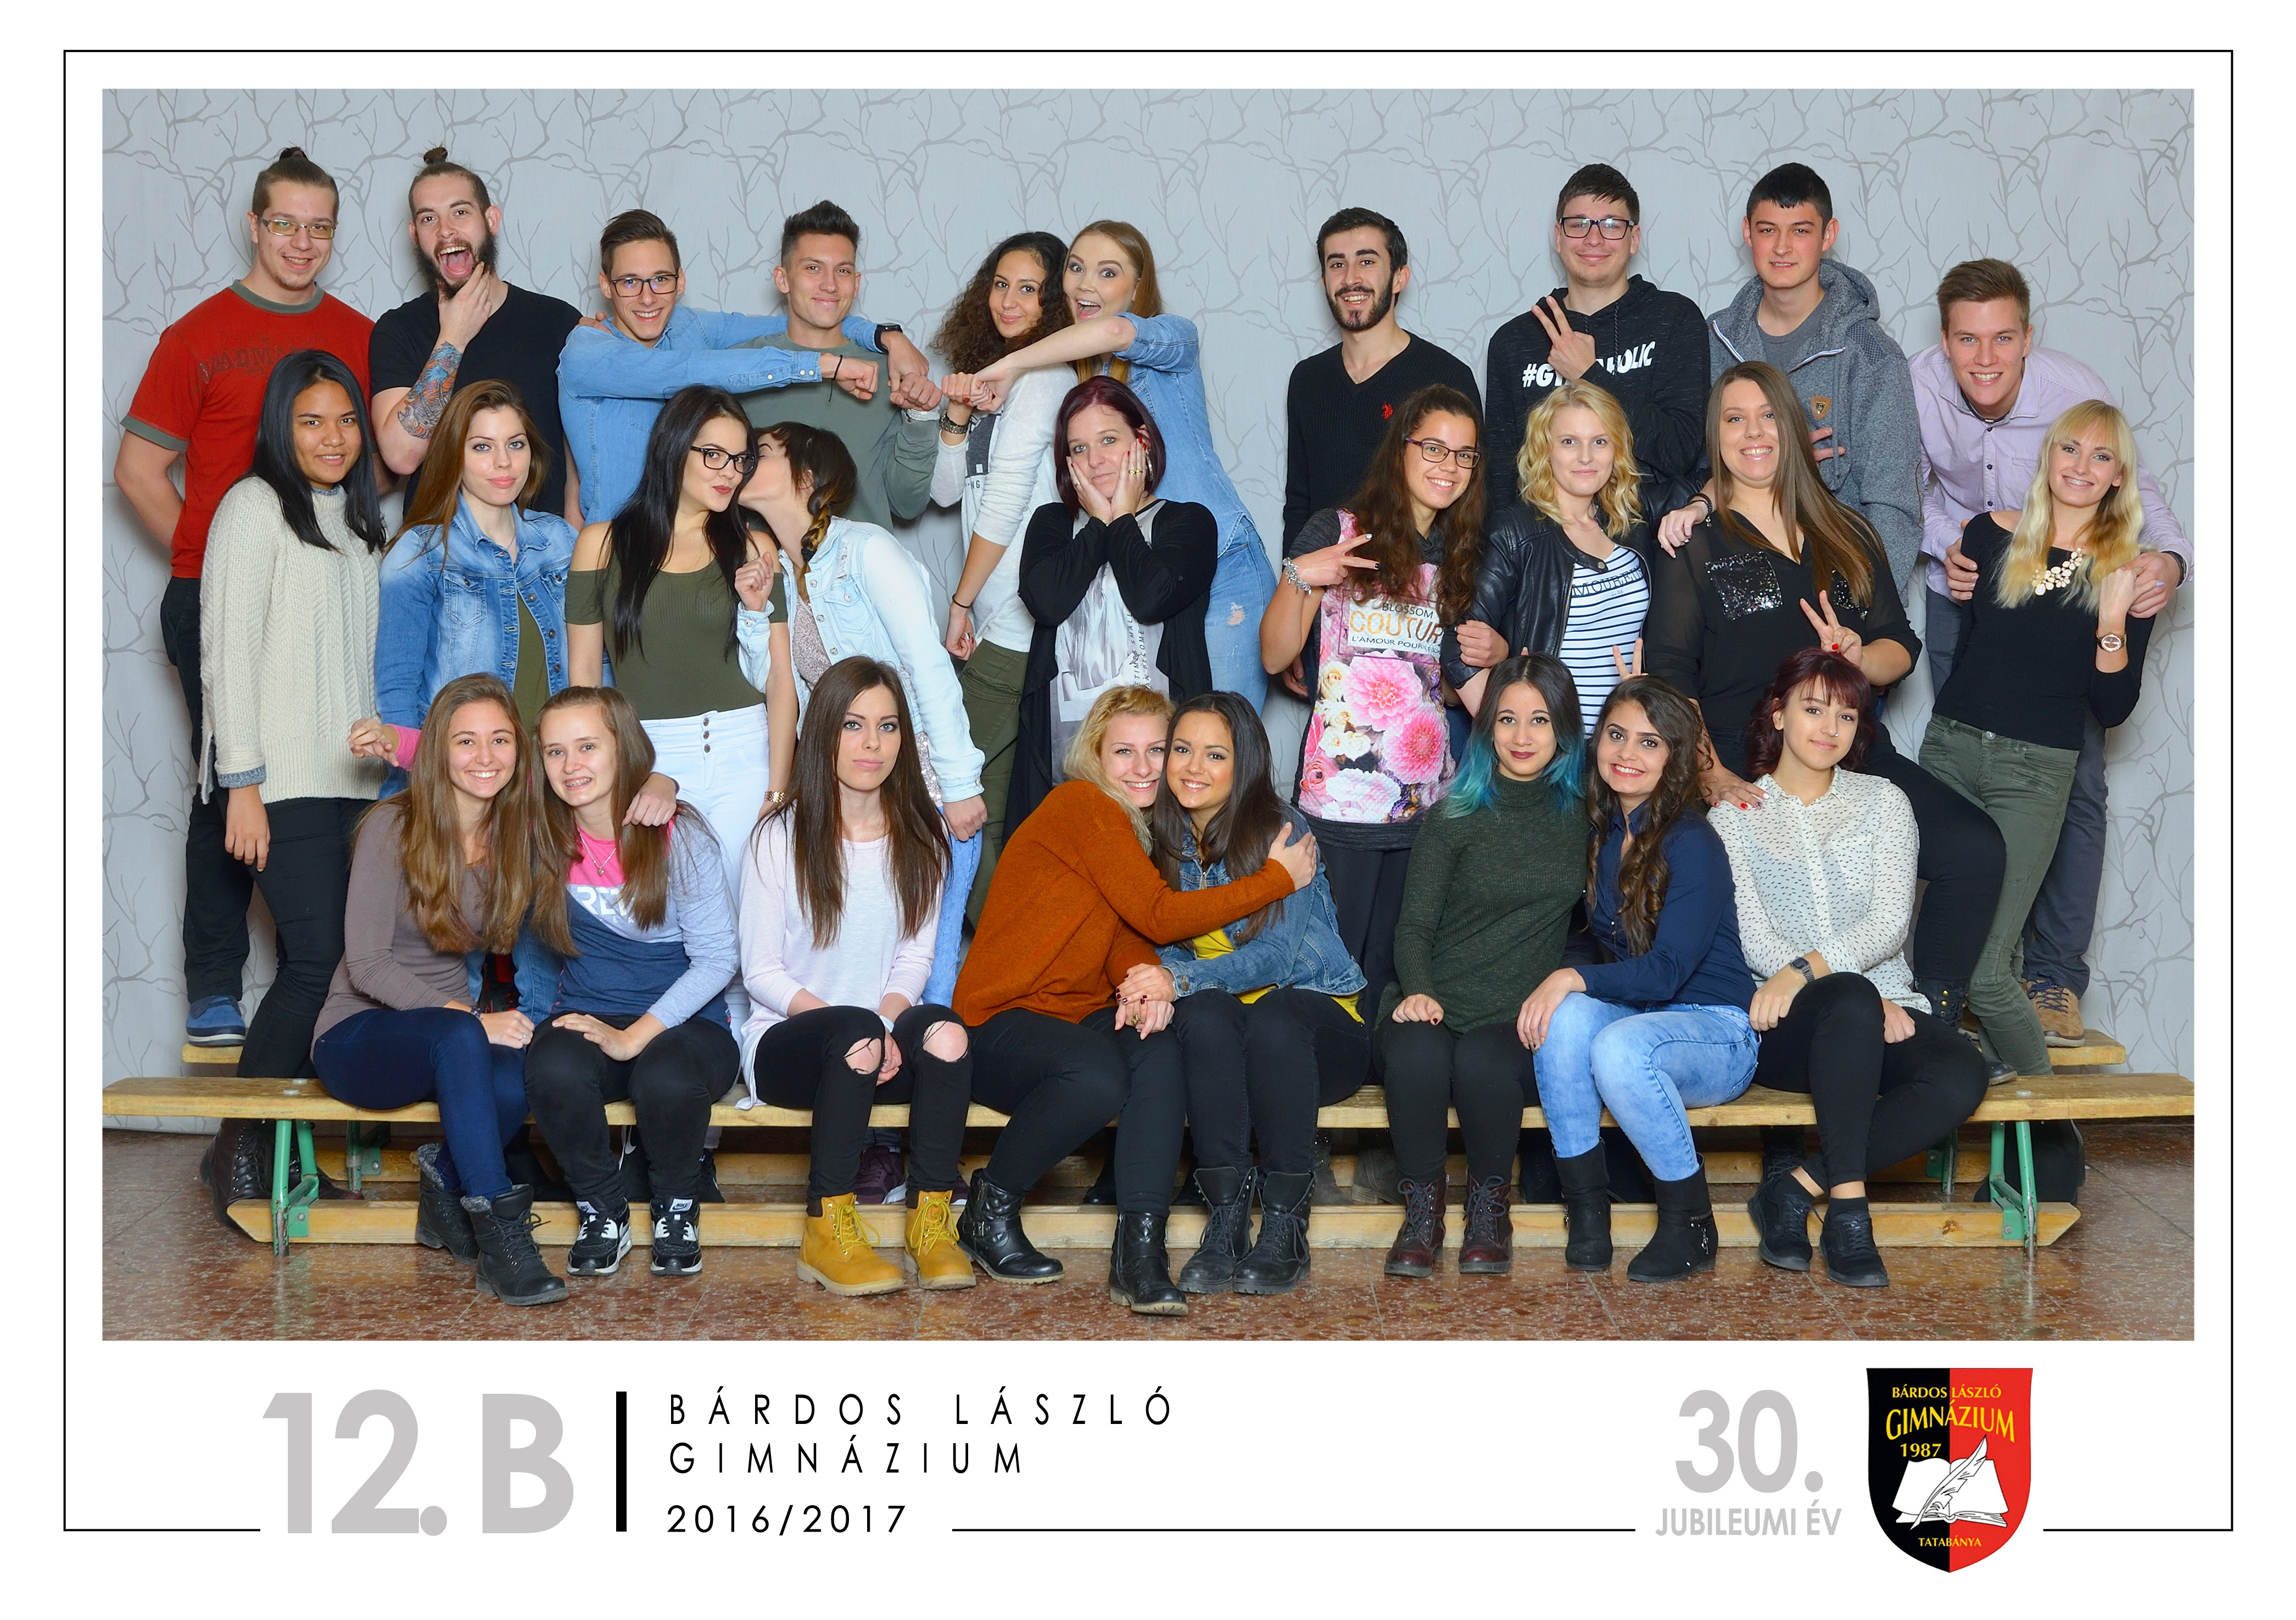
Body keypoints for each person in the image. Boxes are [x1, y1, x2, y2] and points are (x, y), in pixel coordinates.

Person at [1645, 363, 2007, 1077]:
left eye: (1767, 415)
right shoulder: (1698, 543)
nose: (1753, 432)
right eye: (1734, 418)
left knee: (1974, 849)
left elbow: (1899, 647)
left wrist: (1857, 656)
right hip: (1745, 762)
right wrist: (1710, 774)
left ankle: (1932, 1021)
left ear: (1793, 427)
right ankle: (1808, 1037)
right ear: (1716, 438)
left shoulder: (1847, 531)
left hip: (1852, 751)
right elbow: (1668, 676)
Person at [115, 146, 373, 1049]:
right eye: (285, 224)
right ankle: (215, 983)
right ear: (255, 226)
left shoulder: (357, 334)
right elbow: (138, 470)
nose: (302, 242)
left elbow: (388, 453)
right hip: (217, 587)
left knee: (294, 786)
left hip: (321, 582)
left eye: (319, 227)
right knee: (225, 776)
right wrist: (220, 558)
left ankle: (318, 996)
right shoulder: (197, 335)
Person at [952, 686, 1317, 1312]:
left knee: (1157, 1046)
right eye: (1124, 751)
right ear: (1094, 755)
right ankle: (988, 1209)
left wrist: (1147, 984)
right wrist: (1273, 881)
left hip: (1074, 1018)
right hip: (999, 1023)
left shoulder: (1132, 828)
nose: (1144, 766)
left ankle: (1140, 1253)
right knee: (1096, 1074)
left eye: (1157, 749)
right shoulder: (1083, 804)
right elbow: (1157, 914)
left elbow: (1125, 931)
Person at [1914, 258, 2188, 1044]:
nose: (1985, 357)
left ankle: (2051, 976)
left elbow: (2139, 489)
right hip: (1975, 576)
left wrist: (2168, 562)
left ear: (2027, 338)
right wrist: (1954, 547)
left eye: (2002, 337)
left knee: (2073, 780)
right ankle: (1946, 977)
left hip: (2075, 584)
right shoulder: (1917, 382)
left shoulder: (2073, 394)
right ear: (1945, 341)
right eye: (1967, 339)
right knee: (1962, 767)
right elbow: (1901, 491)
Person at [1714, 648, 1989, 1288]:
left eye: (1844, 715)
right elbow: (1752, 938)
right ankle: (1847, 1213)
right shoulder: (1732, 816)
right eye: (1812, 709)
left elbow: (1889, 922)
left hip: (1884, 1007)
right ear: (1777, 714)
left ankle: (1793, 1189)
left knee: (1960, 1073)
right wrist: (1838, 990)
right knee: (1846, 1002)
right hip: (1785, 1025)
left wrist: (1832, 980)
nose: (1828, 728)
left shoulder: (1883, 801)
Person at [1920, 401, 2157, 1080]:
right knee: (1935, 956)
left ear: (2118, 476)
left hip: (2032, 772)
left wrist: (2109, 621)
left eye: (2100, 456)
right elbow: (1970, 652)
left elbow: (2111, 707)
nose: (2081, 466)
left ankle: (2045, 1118)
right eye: (2069, 449)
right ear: (2048, 456)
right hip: (1950, 751)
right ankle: (1939, 1100)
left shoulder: (2128, 569)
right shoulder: (1987, 534)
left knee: (1989, 970)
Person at [310, 673, 562, 1306]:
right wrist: (469, 1018)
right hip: (357, 1037)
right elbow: (367, 964)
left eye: (500, 739)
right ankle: (504, 1242)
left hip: (449, 1037)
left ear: (519, 751)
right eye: (466, 740)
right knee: (463, 1033)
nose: (485, 756)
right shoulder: (392, 826)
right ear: (437, 751)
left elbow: (592, 789)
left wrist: (661, 786)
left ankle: (442, 1181)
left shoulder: (514, 835)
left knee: (521, 1073)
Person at [739, 657, 976, 1297]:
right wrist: (862, 1030)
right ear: (823, 731)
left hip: (880, 1041)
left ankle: (930, 1223)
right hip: (787, 1046)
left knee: (949, 1035)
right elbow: (760, 972)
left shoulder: (921, 838)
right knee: (853, 1035)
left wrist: (886, 1025)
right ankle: (826, 1228)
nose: (872, 743)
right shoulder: (778, 836)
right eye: (853, 724)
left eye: (887, 726)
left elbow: (914, 962)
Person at [968, 221, 1277, 707]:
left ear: (1137, 287)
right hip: (1146, 574)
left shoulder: (1173, 339)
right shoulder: (1079, 374)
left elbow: (1114, 332)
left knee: (1221, 734)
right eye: (1076, 268)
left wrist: (1010, 365)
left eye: (1107, 272)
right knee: (1157, 737)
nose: (1085, 284)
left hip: (1222, 563)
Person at [1514, 677, 1759, 1282]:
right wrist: (1565, 985)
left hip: (1717, 1031)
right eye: (1616, 735)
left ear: (1673, 757)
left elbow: (1669, 969)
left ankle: (1690, 1222)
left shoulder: (1693, 840)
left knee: (1616, 1043)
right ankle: (1587, 1209)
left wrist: (1570, 976)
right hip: (1647, 1018)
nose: (1627, 753)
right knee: (1565, 1018)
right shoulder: (1604, 832)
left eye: (1649, 743)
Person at [738, 421, 986, 1010]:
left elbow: (927, 666)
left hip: (925, 788)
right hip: (852, 799)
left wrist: (958, 785)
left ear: (806, 476)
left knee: (931, 974)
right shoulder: (784, 575)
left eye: (762, 452)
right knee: (866, 967)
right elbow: (777, 686)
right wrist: (754, 611)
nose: (744, 460)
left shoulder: (866, 549)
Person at [1138, 692, 1370, 1295]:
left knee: (1272, 1015)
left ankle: (1287, 1226)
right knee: (1204, 1015)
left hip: (1316, 1029)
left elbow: (1276, 959)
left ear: (1244, 764)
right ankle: (1226, 1221)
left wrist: (1177, 980)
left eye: (1215, 755)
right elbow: (1161, 938)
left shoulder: (1281, 830)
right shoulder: (1160, 835)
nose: (1193, 767)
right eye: (1182, 749)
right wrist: (1167, 979)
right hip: (1232, 1039)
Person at [200, 349, 390, 1080]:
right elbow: (227, 655)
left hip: (357, 784)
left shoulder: (361, 522)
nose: (333, 438)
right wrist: (242, 786)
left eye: (346, 420)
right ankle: (240, 1136)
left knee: (352, 968)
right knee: (318, 960)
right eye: (311, 421)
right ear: (281, 425)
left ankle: (293, 1135)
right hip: (279, 783)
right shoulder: (254, 506)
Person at [1261, 383, 1480, 1008]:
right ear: (1400, 448)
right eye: (1433, 447)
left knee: (1390, 985)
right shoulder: (1338, 530)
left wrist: (1489, 651)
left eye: (1464, 455)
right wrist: (1303, 575)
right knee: (1324, 983)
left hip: (1423, 806)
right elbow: (1274, 656)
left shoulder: (1461, 554)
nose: (1448, 465)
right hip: (1339, 800)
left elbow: (1452, 687)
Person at [1373, 655, 1589, 1278]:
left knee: (1483, 1062)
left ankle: (1490, 1210)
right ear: (1487, 726)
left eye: (1539, 720)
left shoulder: (1585, 817)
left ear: (1563, 730)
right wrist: (1417, 991)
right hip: (1435, 996)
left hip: (1517, 1013)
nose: (1522, 736)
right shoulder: (1453, 816)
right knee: (1416, 1055)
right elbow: (1414, 927)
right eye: (1507, 719)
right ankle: (1421, 1213)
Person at [522, 685, 741, 1280]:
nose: (571, 765)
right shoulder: (542, 836)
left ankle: (677, 1206)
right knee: (552, 1064)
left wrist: (631, 1038)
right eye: (555, 752)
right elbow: (470, 768)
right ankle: (602, 1209)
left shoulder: (678, 833)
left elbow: (718, 960)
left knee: (664, 1074)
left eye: (587, 747)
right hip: (593, 1009)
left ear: (623, 749)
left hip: (688, 1025)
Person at [565, 385, 796, 919]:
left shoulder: (755, 547)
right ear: (673, 448)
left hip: (746, 754)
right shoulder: (601, 544)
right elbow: (584, 683)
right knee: (659, 923)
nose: (729, 472)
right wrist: (614, 773)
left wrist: (778, 791)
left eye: (739, 459)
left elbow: (780, 678)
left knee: (747, 928)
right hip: (649, 757)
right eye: (713, 454)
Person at [559, 208, 919, 526]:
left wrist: (886, 336)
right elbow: (680, 372)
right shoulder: (586, 351)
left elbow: (805, 316)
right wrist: (822, 366)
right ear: (606, 286)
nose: (648, 297)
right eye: (629, 282)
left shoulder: (691, 327)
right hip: (616, 552)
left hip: (699, 555)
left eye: (660, 279)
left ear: (680, 281)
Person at [1676, 163, 1922, 594]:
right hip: (1736, 584)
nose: (1782, 247)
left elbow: (1893, 506)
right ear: (1747, 233)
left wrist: (1864, 611)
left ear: (1828, 236)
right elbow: (1693, 468)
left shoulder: (1870, 355)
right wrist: (1777, 458)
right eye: (1767, 230)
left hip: (1837, 586)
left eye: (1801, 231)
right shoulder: (1713, 341)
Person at [928, 231, 1075, 918]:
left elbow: (1009, 501)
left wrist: (960, 603)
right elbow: (945, 493)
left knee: (956, 787)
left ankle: (986, 947)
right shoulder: (998, 379)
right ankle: (997, 945)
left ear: (1054, 304)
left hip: (1017, 620)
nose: (1009, 301)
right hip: (994, 619)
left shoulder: (1045, 379)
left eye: (1029, 289)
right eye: (1000, 284)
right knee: (988, 797)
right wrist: (956, 416)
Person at [1004, 376, 1218, 839]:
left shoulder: (1189, 521)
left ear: (1141, 442)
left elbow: (1150, 597)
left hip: (1161, 746)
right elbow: (1047, 603)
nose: (1095, 460)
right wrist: (1098, 525)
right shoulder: (1053, 522)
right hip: (1066, 740)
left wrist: (1120, 517)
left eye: (1108, 441)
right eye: (1078, 449)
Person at [370, 149, 584, 526]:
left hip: (541, 550)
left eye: (460, 212)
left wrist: (573, 534)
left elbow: (579, 452)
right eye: (429, 218)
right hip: (439, 551)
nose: (445, 230)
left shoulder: (557, 322)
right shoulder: (397, 330)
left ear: (491, 220)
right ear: (415, 235)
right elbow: (401, 457)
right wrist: (453, 337)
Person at [1483, 164, 1707, 516]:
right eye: (1579, 224)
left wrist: (1591, 375)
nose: (1594, 239)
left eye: (1612, 225)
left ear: (1634, 239)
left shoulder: (1675, 319)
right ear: (1559, 237)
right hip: (1544, 539)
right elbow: (1502, 478)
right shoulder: (1514, 341)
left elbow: (1681, 452)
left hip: (1654, 537)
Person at [1446, 377, 1658, 728]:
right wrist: (1512, 732)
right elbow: (1458, 649)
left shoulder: (1630, 524)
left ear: (1617, 450)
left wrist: (1700, 505)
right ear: (1545, 450)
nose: (1586, 457)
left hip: (1617, 748)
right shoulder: (1516, 530)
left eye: (1600, 441)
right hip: (1554, 749)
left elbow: (1714, 481)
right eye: (1569, 442)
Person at [372, 379, 576, 740]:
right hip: (463, 768)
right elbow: (398, 693)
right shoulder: (420, 553)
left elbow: (597, 667)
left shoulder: (560, 541)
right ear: (454, 455)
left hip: (554, 766)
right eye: (483, 447)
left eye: (516, 444)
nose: (504, 462)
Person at [730, 200, 944, 533]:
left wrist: (921, 419)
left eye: (842, 271)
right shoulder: (740, 368)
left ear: (856, 283)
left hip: (860, 565)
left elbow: (907, 505)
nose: (830, 285)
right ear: (783, 279)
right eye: (813, 268)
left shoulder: (890, 372)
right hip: (762, 565)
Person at [1283, 206, 1478, 546]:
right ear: (1324, 281)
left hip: (1417, 576)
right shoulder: (1307, 380)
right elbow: (1299, 503)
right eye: (1337, 264)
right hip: (1326, 575)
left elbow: (1471, 507)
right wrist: (1294, 573)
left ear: (1400, 277)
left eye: (1367, 261)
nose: (1351, 278)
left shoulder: (1446, 377)